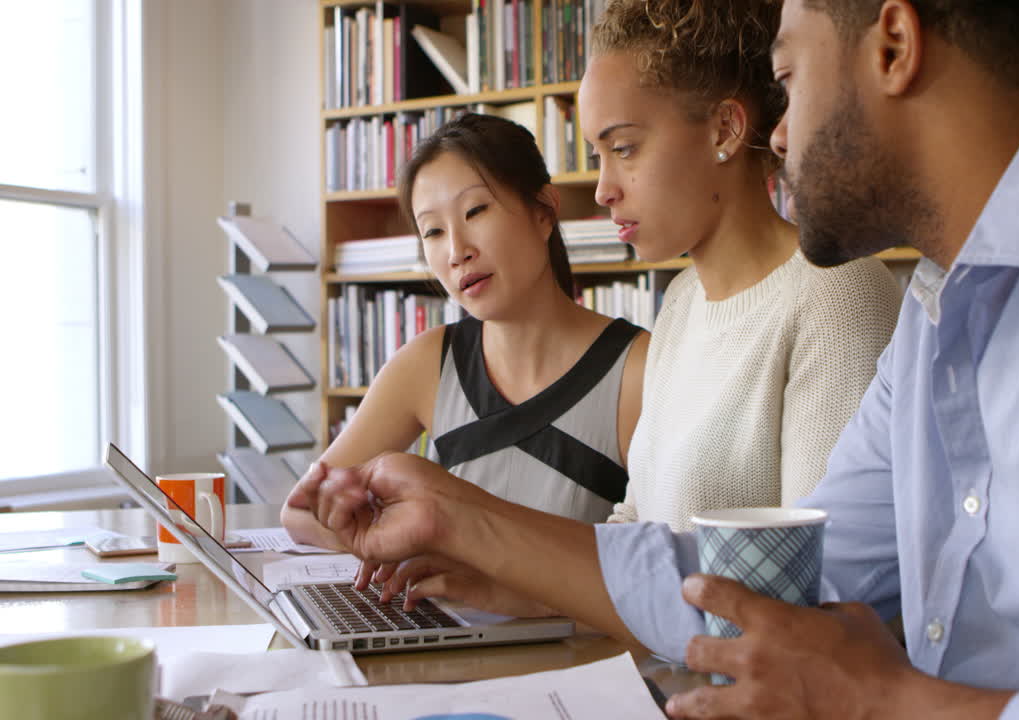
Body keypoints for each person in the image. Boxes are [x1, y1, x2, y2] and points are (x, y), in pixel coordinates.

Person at [300, 0, 1019, 717]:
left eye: (789, 76)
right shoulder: (938, 312)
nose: (776, 128)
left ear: (891, 47)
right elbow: (774, 580)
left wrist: (885, 702)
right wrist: (465, 525)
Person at [304, 0, 901, 611]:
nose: (602, 189)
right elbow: (636, 533)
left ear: (724, 130)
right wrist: (503, 587)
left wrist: (464, 522)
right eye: (597, 155)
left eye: (625, 148)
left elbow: (819, 601)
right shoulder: (682, 305)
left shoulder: (835, 294)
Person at [282, 112, 650, 550]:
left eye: (475, 211)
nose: (457, 251)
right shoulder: (428, 363)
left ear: (544, 211)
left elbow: (661, 557)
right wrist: (389, 542)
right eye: (433, 231)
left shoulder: (638, 369)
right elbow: (301, 511)